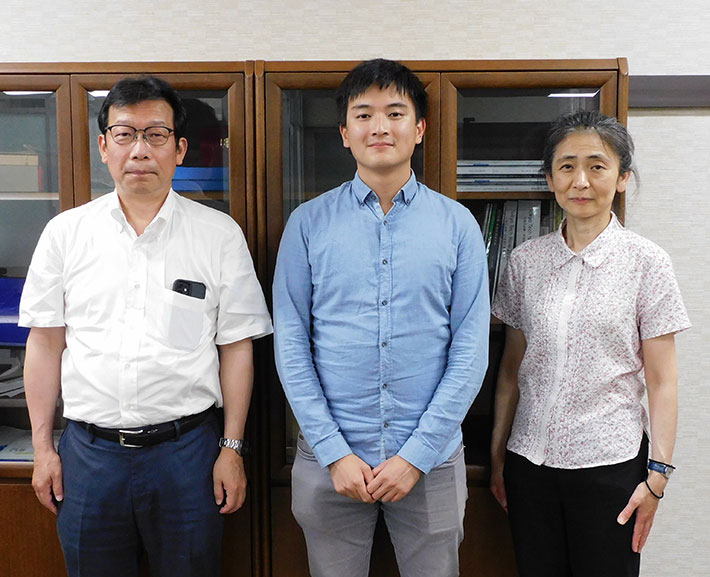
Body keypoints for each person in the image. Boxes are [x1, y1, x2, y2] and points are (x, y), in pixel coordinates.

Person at [19, 76, 272, 577]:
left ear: (178, 149)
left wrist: (232, 448)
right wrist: (43, 449)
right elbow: (45, 344)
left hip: (188, 455)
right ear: (103, 147)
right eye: (124, 134)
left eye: (155, 135)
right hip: (88, 458)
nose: (140, 150)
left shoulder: (218, 235)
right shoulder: (65, 235)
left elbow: (237, 348)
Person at [273, 58, 490, 577]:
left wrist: (416, 454)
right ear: (345, 132)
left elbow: (470, 349)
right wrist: (333, 451)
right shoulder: (307, 224)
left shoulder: (457, 225)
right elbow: (291, 346)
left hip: (432, 462)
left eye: (395, 112)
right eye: (364, 114)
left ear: (419, 128)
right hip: (330, 463)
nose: (379, 126)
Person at [489, 110, 690, 577]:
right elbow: (511, 370)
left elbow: (663, 383)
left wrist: (656, 479)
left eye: (597, 166)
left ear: (622, 178)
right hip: (529, 464)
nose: (581, 180)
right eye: (566, 166)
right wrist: (499, 457)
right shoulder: (525, 261)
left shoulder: (647, 263)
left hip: (610, 468)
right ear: (550, 178)